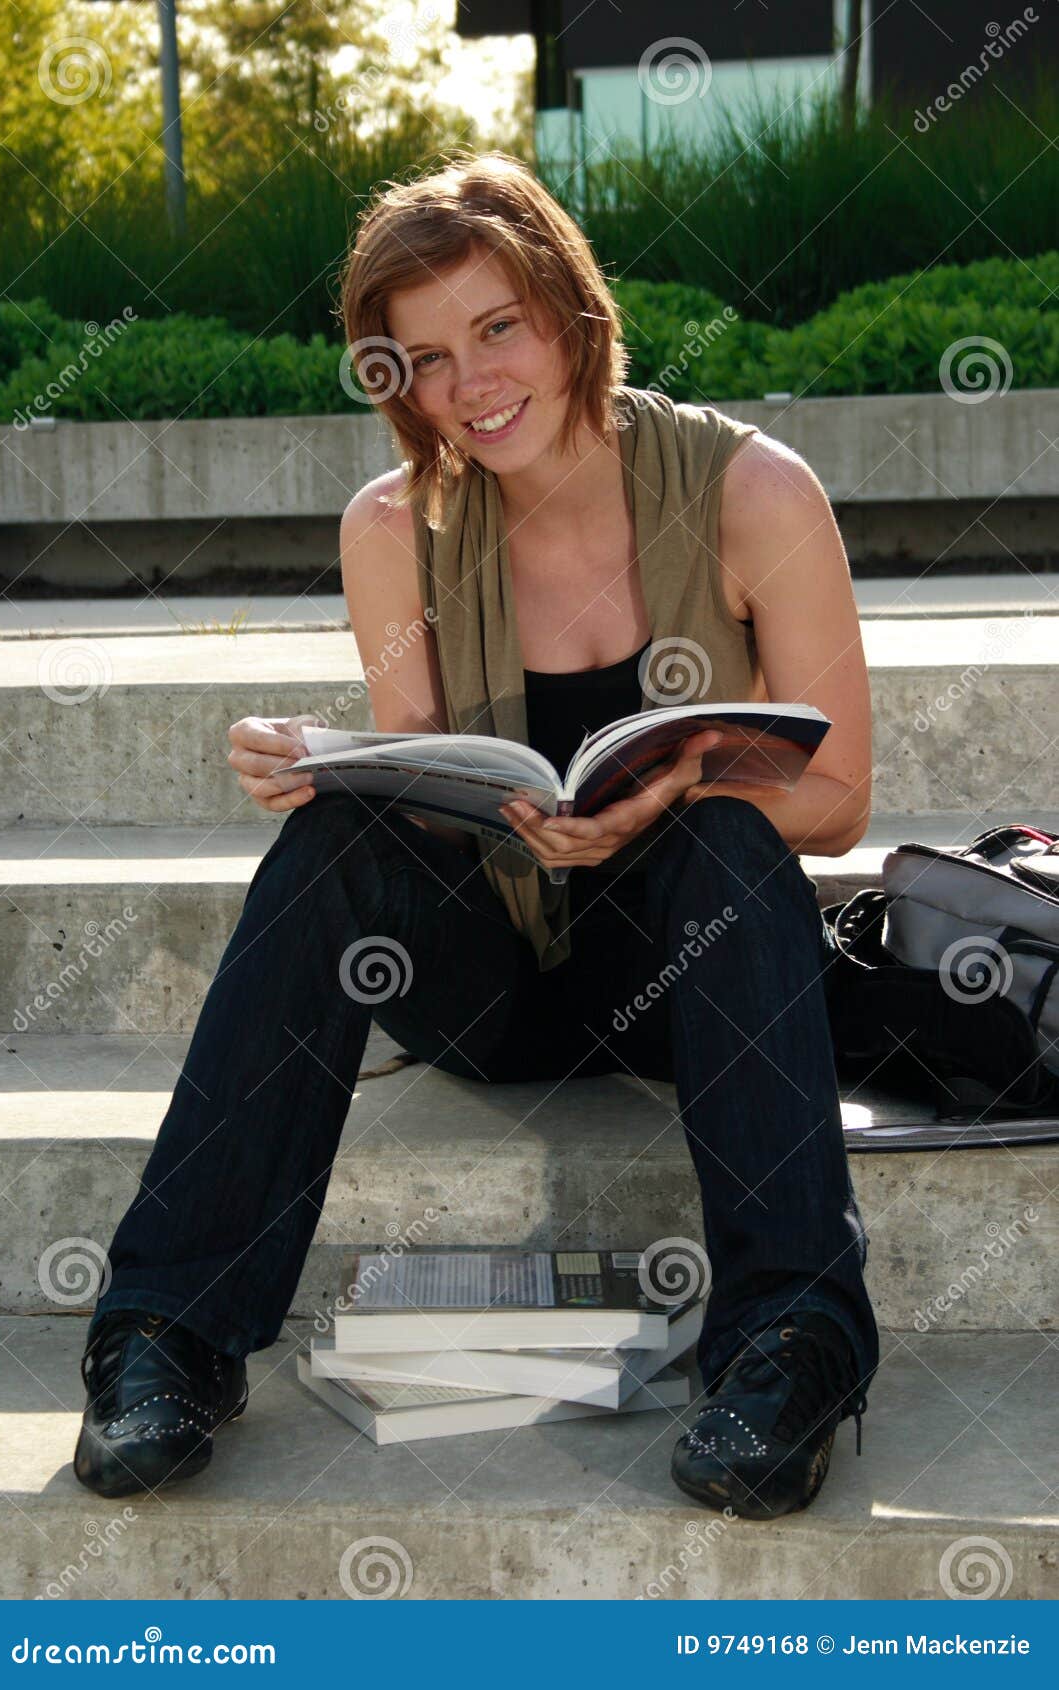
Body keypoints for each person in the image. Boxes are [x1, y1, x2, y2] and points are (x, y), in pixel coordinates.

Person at [73, 150, 878, 1520]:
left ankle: (788, 1346)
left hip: (679, 984)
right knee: (334, 840)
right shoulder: (395, 528)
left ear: (567, 310)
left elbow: (843, 797)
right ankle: (165, 1337)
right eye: (427, 357)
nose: (474, 382)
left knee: (739, 835)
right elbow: (430, 786)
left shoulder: (754, 493)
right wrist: (331, 765)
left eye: (497, 328)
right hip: (491, 976)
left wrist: (677, 785)